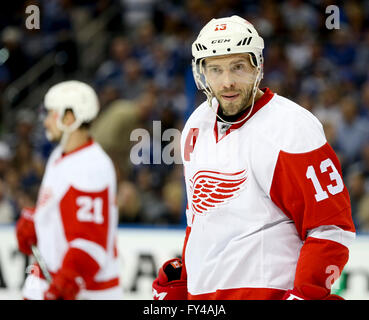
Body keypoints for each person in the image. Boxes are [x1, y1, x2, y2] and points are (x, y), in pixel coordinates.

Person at [152, 15, 356, 300]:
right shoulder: (196, 125)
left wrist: (306, 294)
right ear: (202, 73)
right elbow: (198, 220)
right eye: (215, 70)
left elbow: (331, 227)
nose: (227, 82)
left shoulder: (292, 127)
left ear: (257, 66)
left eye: (238, 67)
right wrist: (185, 282)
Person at [16, 80, 122, 300]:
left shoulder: (92, 165)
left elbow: (90, 242)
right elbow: (63, 212)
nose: (45, 122)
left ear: (69, 118)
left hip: (84, 292)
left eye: (51, 114)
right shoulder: (60, 155)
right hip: (48, 278)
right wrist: (37, 222)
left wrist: (68, 281)